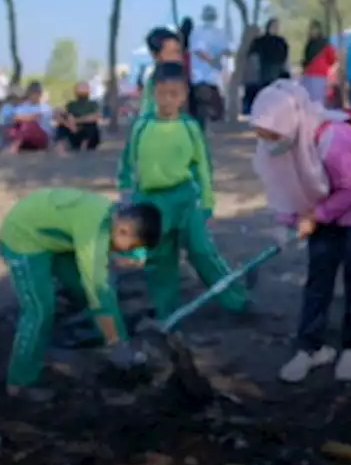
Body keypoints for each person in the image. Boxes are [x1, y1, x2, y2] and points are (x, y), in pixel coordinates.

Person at [250, 80, 351, 383]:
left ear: (288, 123)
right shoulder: (284, 138)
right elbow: (288, 182)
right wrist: (284, 221)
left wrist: (316, 217)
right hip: (330, 197)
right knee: (319, 270)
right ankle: (310, 347)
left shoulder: (329, 141)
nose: (268, 143)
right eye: (261, 136)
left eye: (271, 135)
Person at [116, 61, 250, 320]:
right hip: (152, 203)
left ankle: (236, 300)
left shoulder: (189, 127)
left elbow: (202, 167)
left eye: (175, 94)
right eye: (163, 93)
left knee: (202, 251)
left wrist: (207, 203)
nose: (168, 100)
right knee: (161, 260)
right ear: (153, 92)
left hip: (186, 200)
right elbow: (126, 163)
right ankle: (168, 316)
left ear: (184, 95)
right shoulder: (141, 126)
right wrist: (125, 192)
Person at [0, 188, 162, 398]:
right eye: (131, 246)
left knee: (82, 288)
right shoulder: (93, 235)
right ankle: (19, 382)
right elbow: (99, 293)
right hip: (24, 237)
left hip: (55, 239)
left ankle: (102, 333)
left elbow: (133, 233)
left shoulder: (118, 217)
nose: (129, 251)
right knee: (39, 310)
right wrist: (117, 346)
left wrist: (138, 252)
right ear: (122, 230)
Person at [188, 5, 230, 126]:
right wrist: (214, 60)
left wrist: (214, 60)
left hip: (206, 77)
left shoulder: (199, 32)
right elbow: (199, 51)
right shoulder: (216, 33)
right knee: (208, 109)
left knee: (207, 110)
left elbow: (198, 51)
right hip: (207, 77)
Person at [244, 18, 290, 115]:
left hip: (278, 70)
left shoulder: (281, 41)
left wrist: (286, 71)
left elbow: (285, 58)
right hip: (265, 70)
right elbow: (252, 55)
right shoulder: (260, 41)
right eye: (274, 26)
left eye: (277, 26)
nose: (276, 28)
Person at [139, 26, 186, 118]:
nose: (180, 58)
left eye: (180, 52)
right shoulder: (155, 83)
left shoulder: (180, 77)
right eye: (173, 52)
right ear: (156, 55)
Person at [3, 82, 54, 154]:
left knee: (28, 125)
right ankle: (12, 144)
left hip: (41, 138)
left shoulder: (45, 107)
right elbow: (14, 118)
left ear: (40, 94)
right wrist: (21, 118)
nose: (34, 96)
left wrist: (21, 117)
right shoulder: (24, 105)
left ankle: (14, 147)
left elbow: (34, 118)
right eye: (32, 93)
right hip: (25, 138)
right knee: (14, 126)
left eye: (36, 93)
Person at [56, 80, 102, 153]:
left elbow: (96, 116)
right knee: (61, 127)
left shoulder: (93, 104)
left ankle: (84, 145)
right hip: (74, 131)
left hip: (88, 133)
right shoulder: (71, 105)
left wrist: (75, 120)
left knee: (92, 125)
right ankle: (60, 146)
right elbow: (59, 114)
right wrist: (68, 124)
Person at [300, 20, 338, 106]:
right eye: (311, 29)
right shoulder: (309, 44)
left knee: (317, 100)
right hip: (308, 74)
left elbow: (332, 59)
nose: (313, 31)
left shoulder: (325, 44)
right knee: (308, 99)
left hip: (319, 75)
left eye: (315, 29)